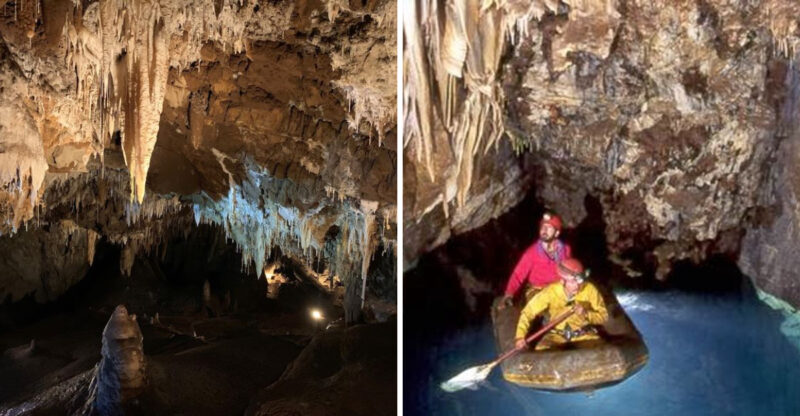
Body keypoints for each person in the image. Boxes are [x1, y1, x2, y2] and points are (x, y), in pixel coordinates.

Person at [514, 258, 608, 350]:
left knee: (602, 351)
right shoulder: (550, 292)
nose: (577, 285)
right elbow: (528, 312)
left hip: (584, 334)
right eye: (572, 282)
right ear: (562, 281)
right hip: (557, 335)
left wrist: (586, 314)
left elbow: (604, 317)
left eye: (580, 281)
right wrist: (520, 336)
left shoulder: (590, 289)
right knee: (541, 350)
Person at [499, 212, 571, 308]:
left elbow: (569, 271)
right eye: (543, 227)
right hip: (537, 289)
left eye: (549, 228)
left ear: (557, 233)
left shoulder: (565, 250)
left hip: (557, 288)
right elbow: (518, 274)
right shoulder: (532, 253)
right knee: (538, 307)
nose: (544, 230)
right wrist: (509, 293)